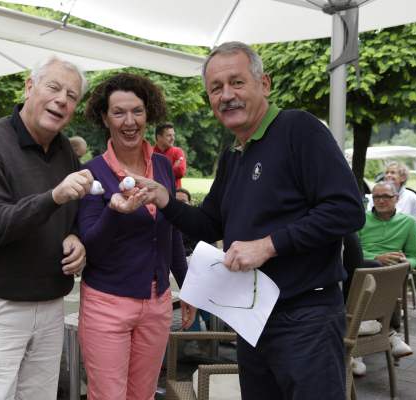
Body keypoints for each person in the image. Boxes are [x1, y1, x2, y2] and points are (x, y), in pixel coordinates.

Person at [135, 41, 365, 399]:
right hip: (252, 318)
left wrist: (269, 246)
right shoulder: (234, 154)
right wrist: (165, 200)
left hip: (305, 316)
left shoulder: (298, 129)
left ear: (265, 84)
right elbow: (209, 225)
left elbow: (347, 209)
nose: (227, 95)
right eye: (216, 88)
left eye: (237, 82)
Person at [0, 56, 91, 400]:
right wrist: (53, 197)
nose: (62, 100)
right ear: (29, 87)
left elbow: (73, 213)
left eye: (72, 96)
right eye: (53, 87)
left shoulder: (63, 150)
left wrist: (76, 236)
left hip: (49, 304)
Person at [78, 72, 195, 399]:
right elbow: (91, 245)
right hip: (107, 303)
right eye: (119, 112)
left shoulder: (161, 166)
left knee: (142, 395)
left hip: (158, 305)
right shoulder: (92, 174)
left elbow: (169, 232)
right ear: (104, 117)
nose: (129, 121)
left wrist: (188, 287)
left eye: (137, 111)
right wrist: (114, 212)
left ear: (148, 113)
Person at [351, 181, 416, 375]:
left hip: (391, 271)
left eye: (385, 196)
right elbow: (352, 252)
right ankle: (389, 333)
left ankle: (357, 347)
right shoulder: (361, 219)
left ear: (396, 198)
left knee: (390, 274)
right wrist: (376, 258)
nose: (380, 200)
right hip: (363, 265)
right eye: (376, 196)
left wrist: (405, 263)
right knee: (374, 268)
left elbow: (414, 256)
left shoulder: (409, 223)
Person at [383, 161, 416, 228]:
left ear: (403, 178)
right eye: (387, 173)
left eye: (392, 172)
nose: (388, 175)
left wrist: (405, 229)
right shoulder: (377, 196)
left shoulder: (411, 197)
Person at [153, 122, 186, 189]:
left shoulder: (178, 152)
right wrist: (172, 168)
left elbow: (180, 172)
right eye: (169, 135)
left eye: (173, 135)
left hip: (174, 194)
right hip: (155, 194)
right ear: (159, 137)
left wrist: (158, 171)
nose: (173, 138)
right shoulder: (150, 152)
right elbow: (147, 173)